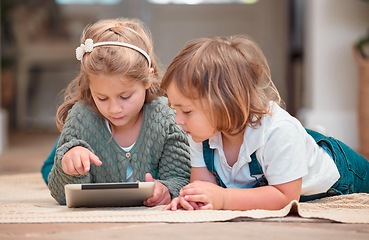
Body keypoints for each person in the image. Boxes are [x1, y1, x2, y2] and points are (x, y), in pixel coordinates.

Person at [161, 35, 369, 211]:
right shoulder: (201, 133)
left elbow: (286, 196)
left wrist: (224, 199)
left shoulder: (278, 131)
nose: (178, 120)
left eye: (186, 111)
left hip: (344, 179)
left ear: (224, 103)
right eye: (175, 110)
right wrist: (194, 200)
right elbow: (204, 185)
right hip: (283, 176)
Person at [48, 18, 191, 206]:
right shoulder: (81, 118)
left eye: (125, 96)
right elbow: (61, 196)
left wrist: (167, 191)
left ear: (147, 79)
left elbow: (180, 178)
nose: (114, 109)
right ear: (89, 86)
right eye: (102, 98)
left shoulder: (166, 118)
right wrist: (70, 168)